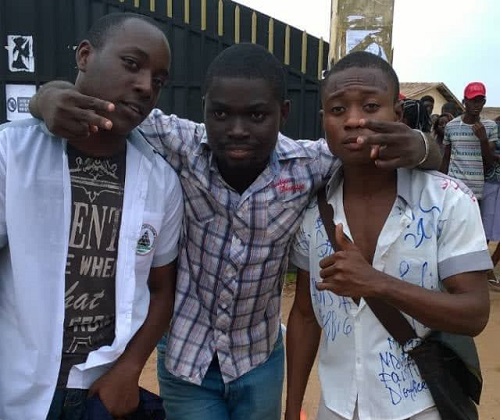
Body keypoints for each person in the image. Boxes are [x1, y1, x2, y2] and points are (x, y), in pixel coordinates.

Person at [29, 43, 442, 420]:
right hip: (187, 362)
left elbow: (403, 153)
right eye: (221, 114)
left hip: (258, 360)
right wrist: (45, 97)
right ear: (205, 109)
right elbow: (110, 105)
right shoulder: (182, 145)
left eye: (257, 115)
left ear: (283, 114)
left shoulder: (308, 165)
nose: (238, 129)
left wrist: (423, 146)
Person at [285, 51, 491, 420]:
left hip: (420, 407)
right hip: (336, 407)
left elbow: (474, 313)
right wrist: (291, 408)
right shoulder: (312, 212)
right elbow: (304, 315)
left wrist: (377, 283)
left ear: (397, 115)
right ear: (323, 121)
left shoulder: (447, 200)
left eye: (370, 106)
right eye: (337, 110)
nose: (353, 120)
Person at [0, 13, 183, 419]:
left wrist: (130, 368)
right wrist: (44, 98)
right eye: (131, 64)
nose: (145, 86)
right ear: (85, 56)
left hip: (103, 391)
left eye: (158, 81)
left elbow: (161, 290)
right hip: (17, 387)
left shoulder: (161, 180)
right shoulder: (12, 154)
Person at [440, 82, 498, 202]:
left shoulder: (490, 126)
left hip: (476, 192)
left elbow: (490, 162)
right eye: (472, 100)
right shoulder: (451, 126)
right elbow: (446, 158)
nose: (476, 104)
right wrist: (440, 184)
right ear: (464, 101)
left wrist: (483, 139)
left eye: (480, 100)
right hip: (454, 188)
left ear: (484, 102)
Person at [480, 115, 500, 287]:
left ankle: (490, 266)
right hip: (491, 182)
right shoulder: (494, 126)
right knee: (485, 226)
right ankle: (484, 268)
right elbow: (487, 154)